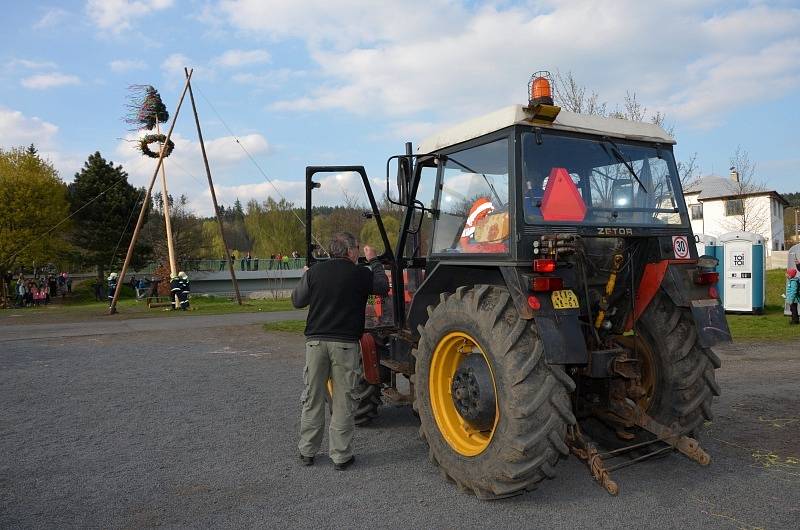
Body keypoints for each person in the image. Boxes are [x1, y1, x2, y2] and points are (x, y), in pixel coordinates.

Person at [291, 232, 389, 470]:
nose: (357, 251)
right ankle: (341, 456)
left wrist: (305, 277)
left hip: (315, 343)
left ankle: (307, 451)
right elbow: (383, 287)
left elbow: (297, 300)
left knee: (312, 397)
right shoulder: (360, 274)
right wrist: (374, 260)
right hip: (345, 344)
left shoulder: (314, 272)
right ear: (350, 251)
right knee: (344, 400)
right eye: (356, 248)